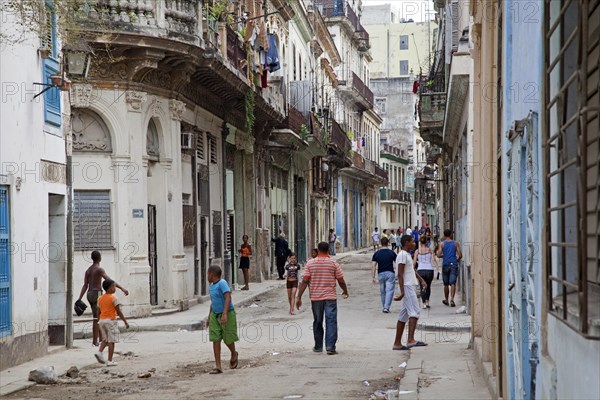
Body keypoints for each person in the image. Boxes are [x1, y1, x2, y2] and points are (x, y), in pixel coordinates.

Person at [296, 242, 349, 355]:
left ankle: (318, 346)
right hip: (330, 297)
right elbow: (340, 280)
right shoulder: (333, 263)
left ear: (318, 250)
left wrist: (299, 296)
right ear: (328, 249)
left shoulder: (310, 264)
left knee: (318, 321)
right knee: (331, 321)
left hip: (316, 298)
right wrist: (345, 290)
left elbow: (305, 280)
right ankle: (330, 347)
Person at [78, 251, 128, 346]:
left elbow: (85, 285)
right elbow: (110, 281)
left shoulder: (88, 270)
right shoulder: (99, 269)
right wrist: (122, 288)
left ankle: (101, 339)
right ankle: (96, 340)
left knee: (97, 317)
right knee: (97, 318)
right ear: (99, 258)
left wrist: (79, 298)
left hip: (89, 293)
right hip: (97, 293)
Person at [393, 235, 428, 350]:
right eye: (412, 242)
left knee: (404, 315)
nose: (414, 243)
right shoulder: (402, 255)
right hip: (407, 286)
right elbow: (400, 274)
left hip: (409, 285)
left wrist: (422, 280)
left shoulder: (407, 255)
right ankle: (410, 340)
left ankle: (397, 343)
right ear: (406, 243)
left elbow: (411, 270)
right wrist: (402, 291)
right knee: (414, 311)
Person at [205, 265, 239, 374]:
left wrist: (225, 313)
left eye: (207, 274)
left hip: (227, 313)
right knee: (216, 339)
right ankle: (218, 366)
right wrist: (209, 317)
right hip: (215, 315)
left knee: (228, 338)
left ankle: (234, 353)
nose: (207, 276)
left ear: (211, 274)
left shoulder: (222, 283)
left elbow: (228, 297)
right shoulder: (211, 286)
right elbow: (213, 302)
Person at [94, 279, 129, 366]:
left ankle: (100, 352)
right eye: (113, 286)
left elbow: (98, 311)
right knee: (111, 341)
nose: (115, 288)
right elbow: (118, 311)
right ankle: (110, 360)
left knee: (105, 339)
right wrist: (125, 321)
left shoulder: (100, 298)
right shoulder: (113, 298)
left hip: (102, 321)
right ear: (110, 288)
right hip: (110, 321)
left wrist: (98, 321)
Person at [436, 229, 463, 307]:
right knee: (453, 283)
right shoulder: (455, 243)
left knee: (446, 284)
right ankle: (452, 299)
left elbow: (438, 254)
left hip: (445, 264)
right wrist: (457, 259)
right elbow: (460, 255)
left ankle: (446, 299)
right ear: (451, 234)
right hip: (453, 264)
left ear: (444, 235)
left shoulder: (442, 244)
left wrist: (443, 256)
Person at [371, 237, 397, 313]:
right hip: (390, 273)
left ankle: (384, 306)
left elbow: (373, 265)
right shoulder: (391, 253)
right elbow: (397, 263)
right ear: (388, 243)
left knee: (382, 291)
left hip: (380, 274)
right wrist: (399, 274)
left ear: (380, 243)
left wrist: (373, 277)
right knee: (389, 290)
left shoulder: (376, 253)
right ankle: (386, 307)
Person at [414, 237, 437, 309]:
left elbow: (414, 262)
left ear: (420, 242)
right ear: (426, 242)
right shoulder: (430, 250)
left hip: (420, 270)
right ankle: (427, 302)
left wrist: (412, 269)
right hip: (429, 269)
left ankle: (423, 303)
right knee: (428, 286)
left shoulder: (417, 251)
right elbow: (433, 260)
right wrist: (437, 267)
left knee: (422, 287)